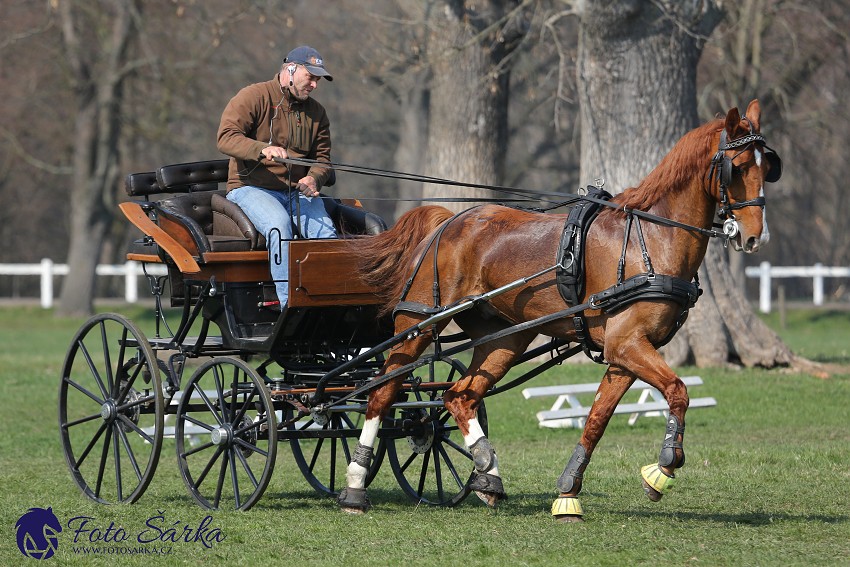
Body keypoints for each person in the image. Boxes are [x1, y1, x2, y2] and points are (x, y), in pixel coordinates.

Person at [217, 45, 337, 308]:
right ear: (290, 70)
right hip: (250, 187)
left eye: (318, 80)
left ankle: (328, 307)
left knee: (326, 236)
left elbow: (323, 161)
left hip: (297, 192)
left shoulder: (318, 113)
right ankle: (290, 307)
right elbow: (226, 138)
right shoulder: (254, 96)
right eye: (311, 77)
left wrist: (314, 179)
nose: (315, 85)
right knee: (279, 227)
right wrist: (262, 149)